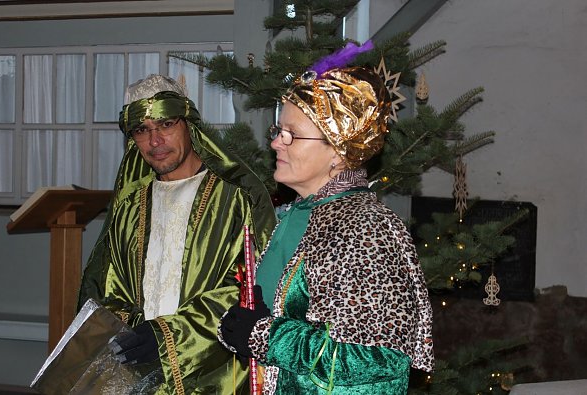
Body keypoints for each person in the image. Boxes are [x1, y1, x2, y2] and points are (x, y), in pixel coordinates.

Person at [219, 47, 434, 394]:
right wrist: (245, 323)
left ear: (337, 149)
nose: (276, 142)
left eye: (291, 133)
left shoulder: (368, 228)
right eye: (277, 130)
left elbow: (378, 358)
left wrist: (264, 334)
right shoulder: (296, 214)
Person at [78, 74, 276, 394]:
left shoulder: (235, 198)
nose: (155, 141)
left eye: (166, 125)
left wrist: (168, 335)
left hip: (215, 373)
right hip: (142, 376)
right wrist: (124, 333)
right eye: (142, 130)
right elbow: (111, 290)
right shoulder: (131, 206)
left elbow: (251, 290)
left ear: (189, 125)